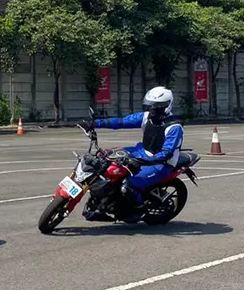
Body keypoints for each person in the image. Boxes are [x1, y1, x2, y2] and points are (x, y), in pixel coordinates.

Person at [78, 86, 184, 223]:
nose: (151, 110)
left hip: (160, 164)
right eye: (150, 106)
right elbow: (122, 122)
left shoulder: (174, 127)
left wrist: (141, 161)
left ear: (166, 106)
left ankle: (139, 209)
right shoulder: (147, 117)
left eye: (155, 107)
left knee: (128, 186)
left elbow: (166, 153)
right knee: (104, 159)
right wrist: (94, 123)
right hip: (141, 152)